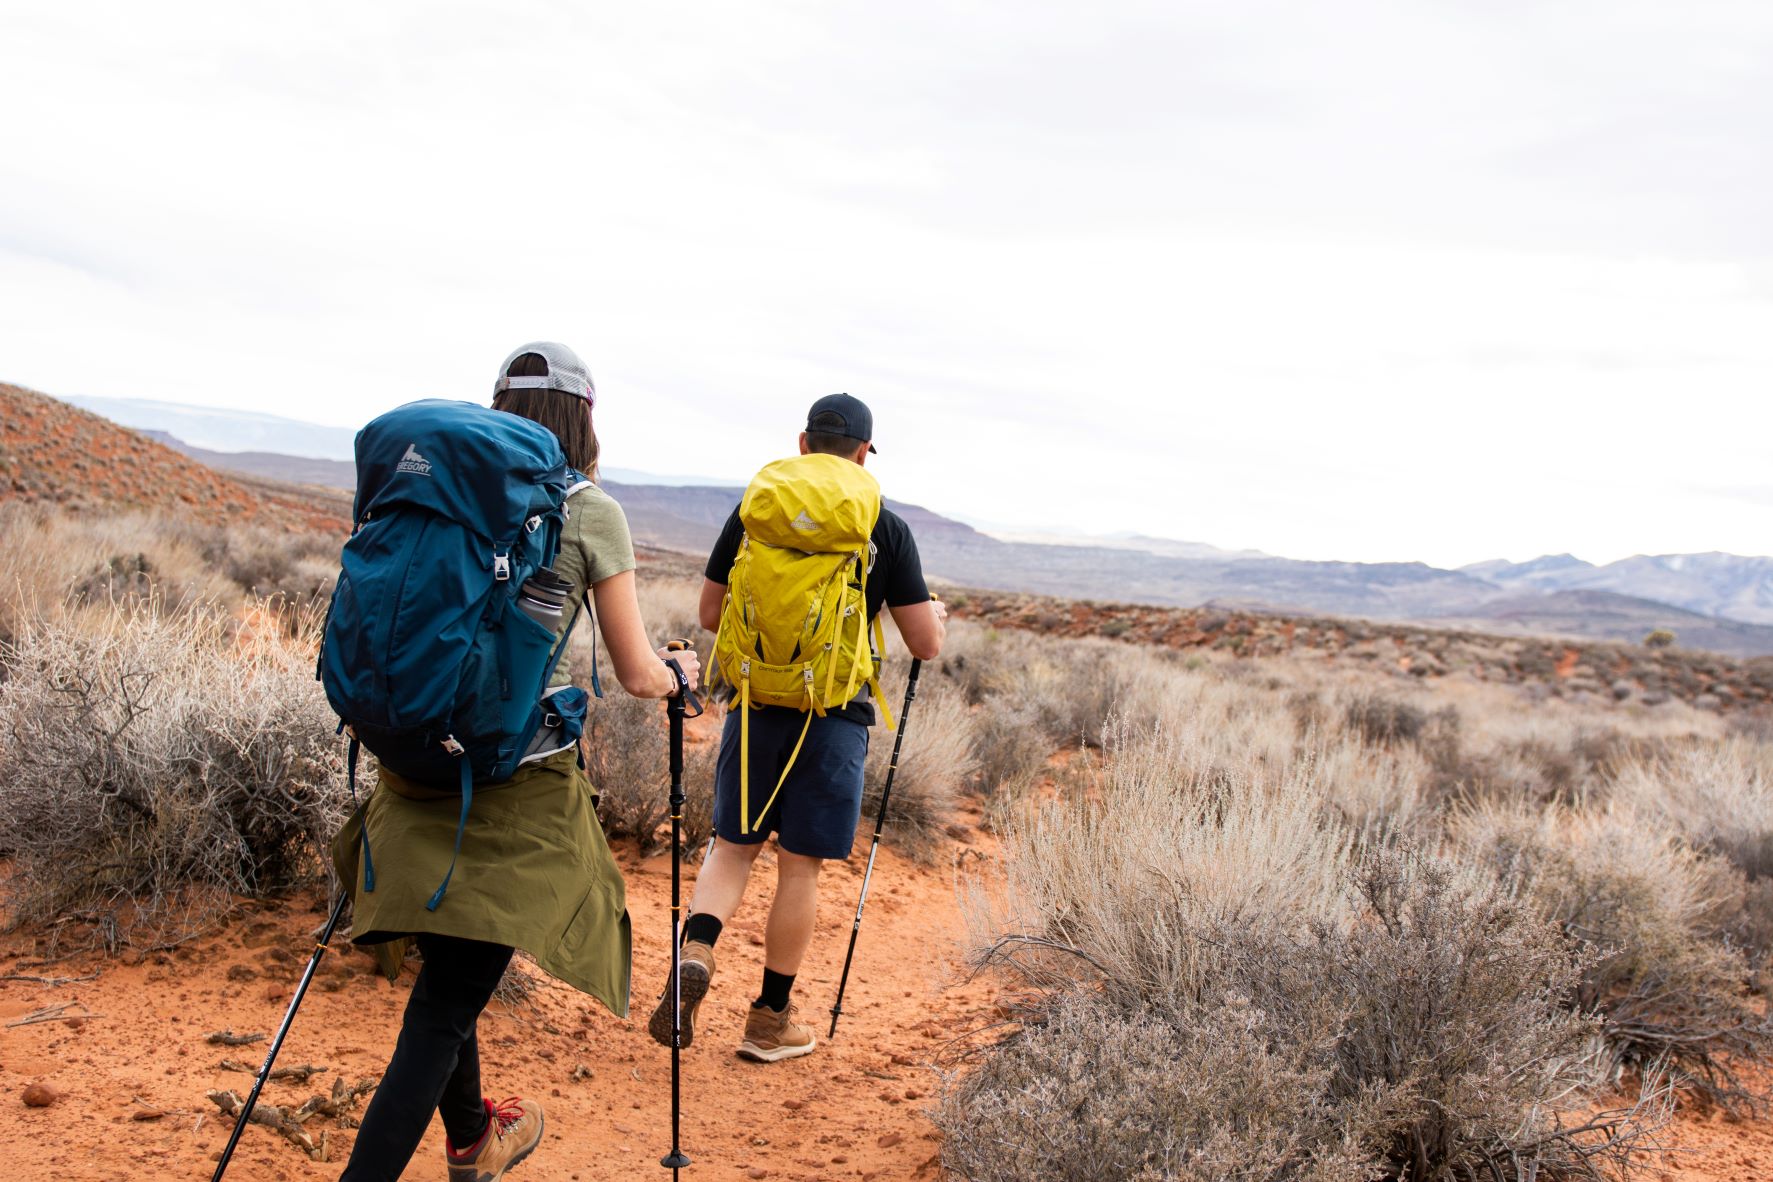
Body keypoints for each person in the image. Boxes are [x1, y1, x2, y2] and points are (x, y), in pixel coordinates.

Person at [332, 342, 700, 1182]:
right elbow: (638, 672)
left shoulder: (431, 487)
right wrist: (679, 674)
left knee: (445, 973)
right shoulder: (586, 508)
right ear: (584, 416)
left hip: (409, 760)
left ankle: (471, 1141)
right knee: (443, 1008)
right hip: (510, 789)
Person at [647, 392, 945, 1062]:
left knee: (732, 847)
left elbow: (707, 612)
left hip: (755, 703)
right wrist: (936, 617)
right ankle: (769, 1020)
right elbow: (924, 644)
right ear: (863, 453)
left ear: (804, 443)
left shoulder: (757, 510)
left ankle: (697, 945)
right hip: (834, 715)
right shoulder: (882, 525)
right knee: (800, 868)